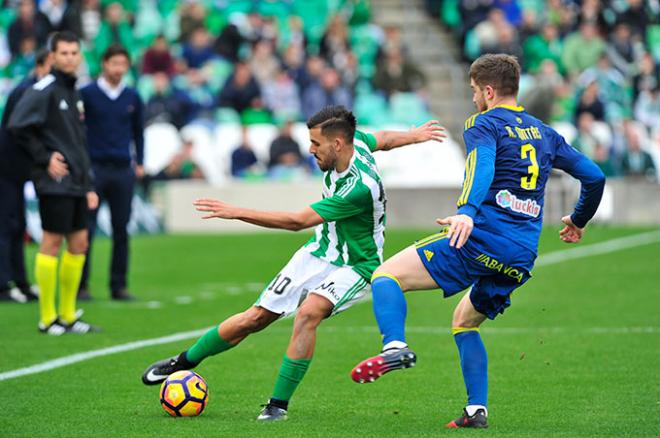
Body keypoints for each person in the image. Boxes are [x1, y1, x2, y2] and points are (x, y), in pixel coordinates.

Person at [141, 106, 446, 421]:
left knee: (308, 314)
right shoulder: (358, 143)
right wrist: (413, 135)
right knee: (254, 318)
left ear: (338, 144)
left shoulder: (359, 187)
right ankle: (183, 361)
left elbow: (296, 221)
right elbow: (382, 138)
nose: (310, 150)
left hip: (357, 264)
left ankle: (277, 406)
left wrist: (236, 212)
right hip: (319, 251)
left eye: (316, 144)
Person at [350, 54, 606, 429]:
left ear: (488, 91)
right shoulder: (544, 133)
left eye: (473, 91)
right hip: (520, 255)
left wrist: (467, 210)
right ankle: (476, 411)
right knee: (464, 322)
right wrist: (578, 218)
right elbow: (595, 176)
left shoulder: (484, 124)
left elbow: (482, 164)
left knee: (386, 276)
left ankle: (394, 346)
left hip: (481, 239)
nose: (472, 99)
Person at [8, 31, 100, 335]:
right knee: (51, 242)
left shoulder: (74, 91)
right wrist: (45, 158)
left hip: (75, 182)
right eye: (64, 53)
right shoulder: (44, 88)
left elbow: (77, 142)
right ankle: (47, 318)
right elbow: (16, 125)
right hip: (54, 181)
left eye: (75, 53)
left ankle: (69, 314)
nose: (70, 58)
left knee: (80, 243)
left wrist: (88, 185)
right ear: (53, 56)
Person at [78, 44, 145, 301]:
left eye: (123, 65)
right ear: (104, 64)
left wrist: (140, 161)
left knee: (122, 229)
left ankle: (119, 285)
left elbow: (138, 131)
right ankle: (81, 285)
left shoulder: (132, 96)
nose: (118, 69)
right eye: (114, 64)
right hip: (94, 169)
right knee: (87, 229)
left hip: (121, 170)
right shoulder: (87, 94)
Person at [0, 48, 52, 303]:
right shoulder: (27, 91)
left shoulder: (33, 90)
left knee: (17, 225)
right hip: (7, 168)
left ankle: (20, 282)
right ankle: (3, 285)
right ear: (41, 67)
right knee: (6, 226)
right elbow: (16, 130)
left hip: (16, 170)